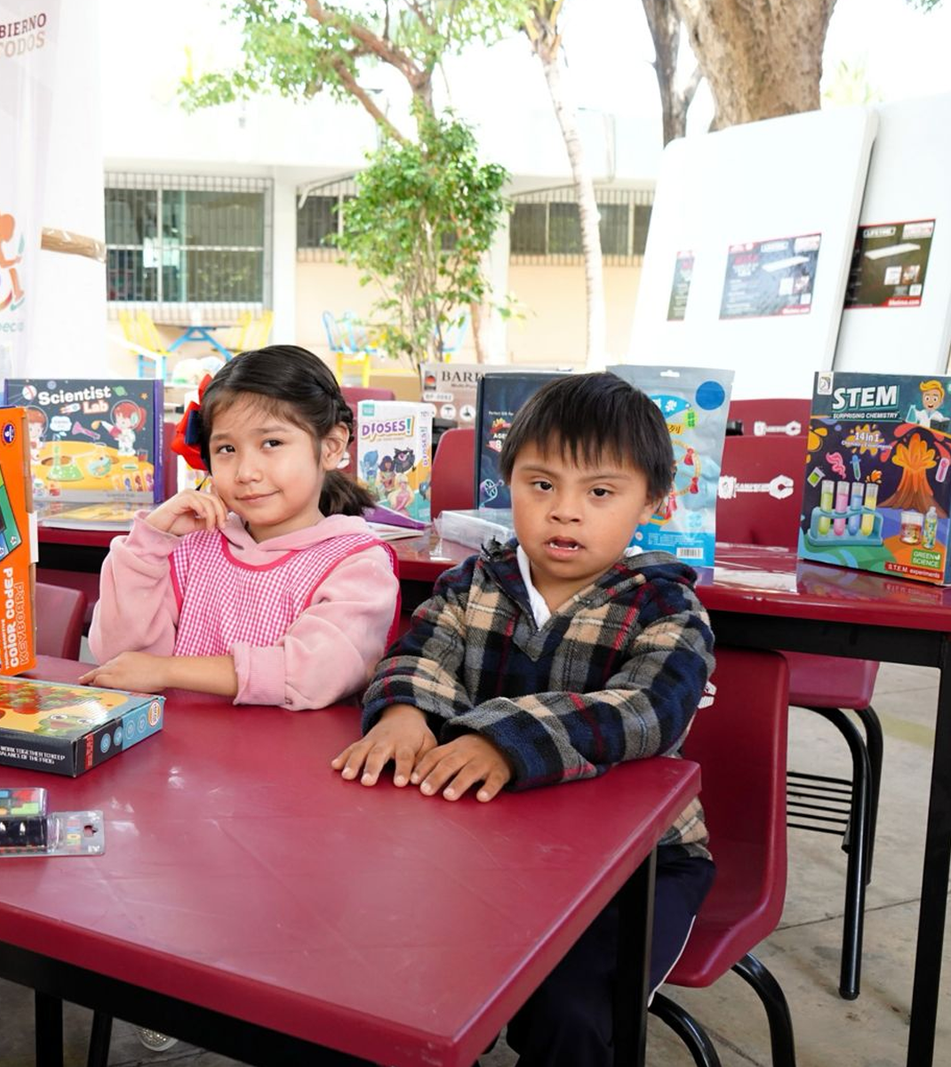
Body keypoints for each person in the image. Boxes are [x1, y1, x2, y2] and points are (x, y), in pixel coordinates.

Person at [333, 372, 716, 1067]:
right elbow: (420, 652)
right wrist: (402, 709)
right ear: (506, 483)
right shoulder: (476, 583)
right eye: (541, 485)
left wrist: (503, 739)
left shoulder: (666, 608)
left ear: (652, 502)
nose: (565, 512)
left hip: (641, 863)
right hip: (488, 845)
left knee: (567, 1013)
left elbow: (649, 710)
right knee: (398, 973)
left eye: (600, 492)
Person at [82, 344, 400, 708]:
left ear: (330, 446)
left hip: (287, 760)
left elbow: (313, 674)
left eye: (272, 442)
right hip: (181, 757)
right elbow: (120, 657)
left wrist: (167, 671)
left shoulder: (357, 562)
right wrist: (149, 543)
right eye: (227, 450)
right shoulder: (193, 547)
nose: (247, 473)